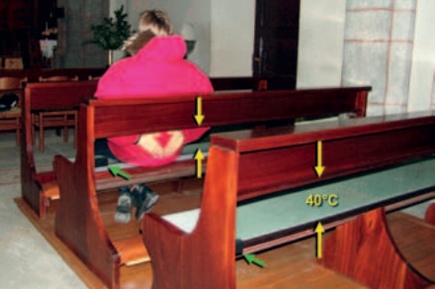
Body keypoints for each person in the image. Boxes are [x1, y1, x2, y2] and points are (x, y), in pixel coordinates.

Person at [95, 10, 213, 223]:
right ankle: (130, 191)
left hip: (134, 151)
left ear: (141, 34)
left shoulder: (120, 69)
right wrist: (183, 136)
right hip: (172, 149)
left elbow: (104, 121)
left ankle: (133, 188)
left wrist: (139, 139)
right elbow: (208, 112)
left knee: (95, 147)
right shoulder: (193, 72)